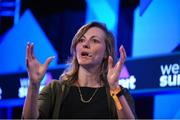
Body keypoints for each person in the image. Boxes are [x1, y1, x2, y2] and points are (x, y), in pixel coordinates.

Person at [22, 21, 136, 119]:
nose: (85, 44)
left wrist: (115, 89)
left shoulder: (118, 93)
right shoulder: (55, 90)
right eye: (81, 40)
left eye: (94, 40)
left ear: (106, 52)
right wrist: (33, 85)